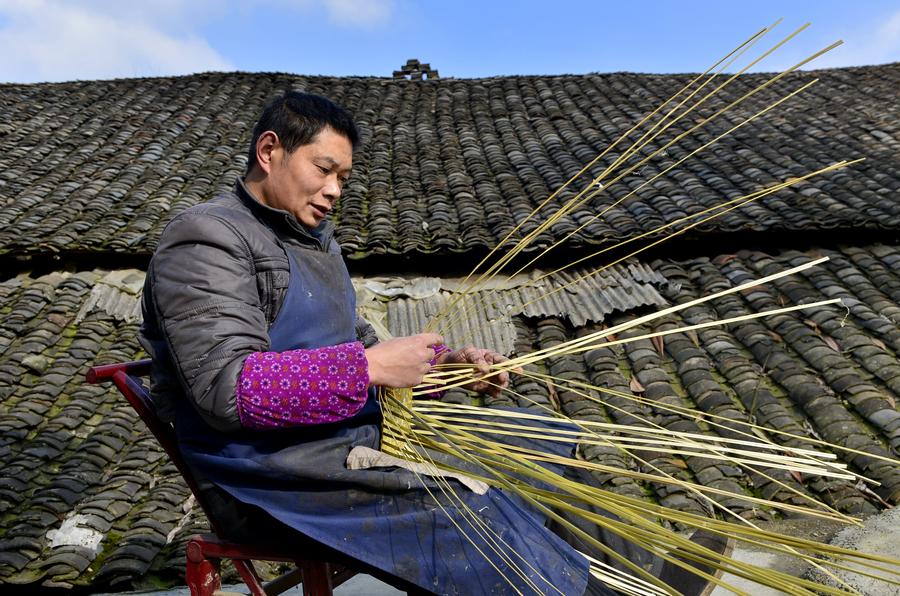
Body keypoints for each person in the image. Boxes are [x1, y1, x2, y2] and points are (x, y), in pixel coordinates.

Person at [141, 91, 718, 595]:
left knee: (536, 439)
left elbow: (357, 343)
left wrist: (445, 366)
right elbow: (228, 391)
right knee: (470, 503)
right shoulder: (206, 240)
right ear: (270, 152)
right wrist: (365, 368)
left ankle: (643, 577)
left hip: (343, 443)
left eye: (344, 176)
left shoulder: (315, 240)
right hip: (270, 476)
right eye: (324, 169)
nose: (335, 189)